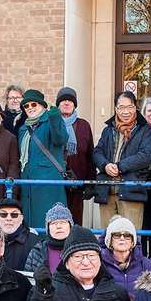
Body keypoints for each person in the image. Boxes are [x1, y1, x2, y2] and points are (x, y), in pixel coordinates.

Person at [93, 90, 151, 230]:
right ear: (116, 109)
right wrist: (105, 165)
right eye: (121, 107)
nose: (125, 111)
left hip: (131, 191)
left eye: (129, 107)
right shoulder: (108, 130)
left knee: (131, 236)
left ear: (135, 108)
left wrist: (120, 166)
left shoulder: (144, 130)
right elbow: (97, 152)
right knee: (106, 237)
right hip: (107, 192)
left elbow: (145, 156)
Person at [14, 89, 69, 224]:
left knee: (49, 224)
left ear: (43, 106)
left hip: (48, 185)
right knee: (29, 226)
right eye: (26, 106)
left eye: (34, 104)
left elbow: (61, 139)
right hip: (27, 186)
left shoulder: (51, 121)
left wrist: (55, 116)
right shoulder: (23, 129)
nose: (30, 108)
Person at [55, 87, 95, 223]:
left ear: (74, 104)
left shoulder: (84, 125)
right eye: (63, 101)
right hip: (56, 182)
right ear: (58, 104)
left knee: (75, 220)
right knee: (57, 220)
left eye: (70, 101)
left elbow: (90, 155)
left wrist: (90, 182)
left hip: (76, 183)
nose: (66, 103)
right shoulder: (52, 124)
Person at [104, 214, 151, 290]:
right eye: (117, 235)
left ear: (132, 241)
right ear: (110, 240)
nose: (122, 238)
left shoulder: (145, 264)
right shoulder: (100, 264)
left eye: (127, 235)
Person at [25, 204, 76, 277]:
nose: (58, 226)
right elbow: (28, 279)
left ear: (70, 226)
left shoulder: (80, 249)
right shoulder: (37, 251)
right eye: (53, 223)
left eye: (63, 222)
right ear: (48, 228)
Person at [0, 197, 38, 272]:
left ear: (21, 219)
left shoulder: (34, 242)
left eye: (14, 215)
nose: (9, 218)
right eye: (3, 214)